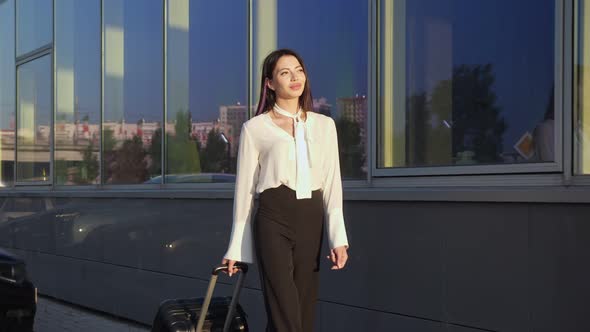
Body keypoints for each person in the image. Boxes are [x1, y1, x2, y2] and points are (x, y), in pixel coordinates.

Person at [221, 48, 350, 332]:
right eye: (284, 72)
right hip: (272, 218)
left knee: (302, 313)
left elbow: (331, 183)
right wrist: (236, 247)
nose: (295, 77)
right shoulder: (255, 128)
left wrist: (337, 237)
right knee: (284, 310)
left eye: (299, 70)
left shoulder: (325, 126)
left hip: (310, 218)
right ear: (269, 83)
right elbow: (244, 192)